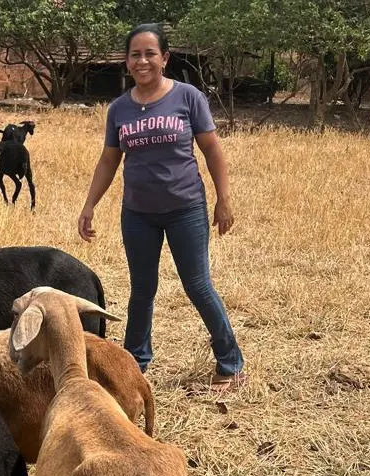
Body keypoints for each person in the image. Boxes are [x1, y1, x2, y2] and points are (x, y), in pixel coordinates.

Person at [77, 22, 246, 390]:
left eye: (150, 53)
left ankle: (231, 364)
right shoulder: (119, 109)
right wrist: (89, 204)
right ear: (126, 62)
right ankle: (135, 364)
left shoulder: (187, 97)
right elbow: (109, 160)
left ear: (164, 58)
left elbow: (212, 150)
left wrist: (224, 199)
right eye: (135, 54)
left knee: (198, 285)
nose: (142, 61)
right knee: (142, 289)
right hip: (137, 214)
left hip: (186, 208)